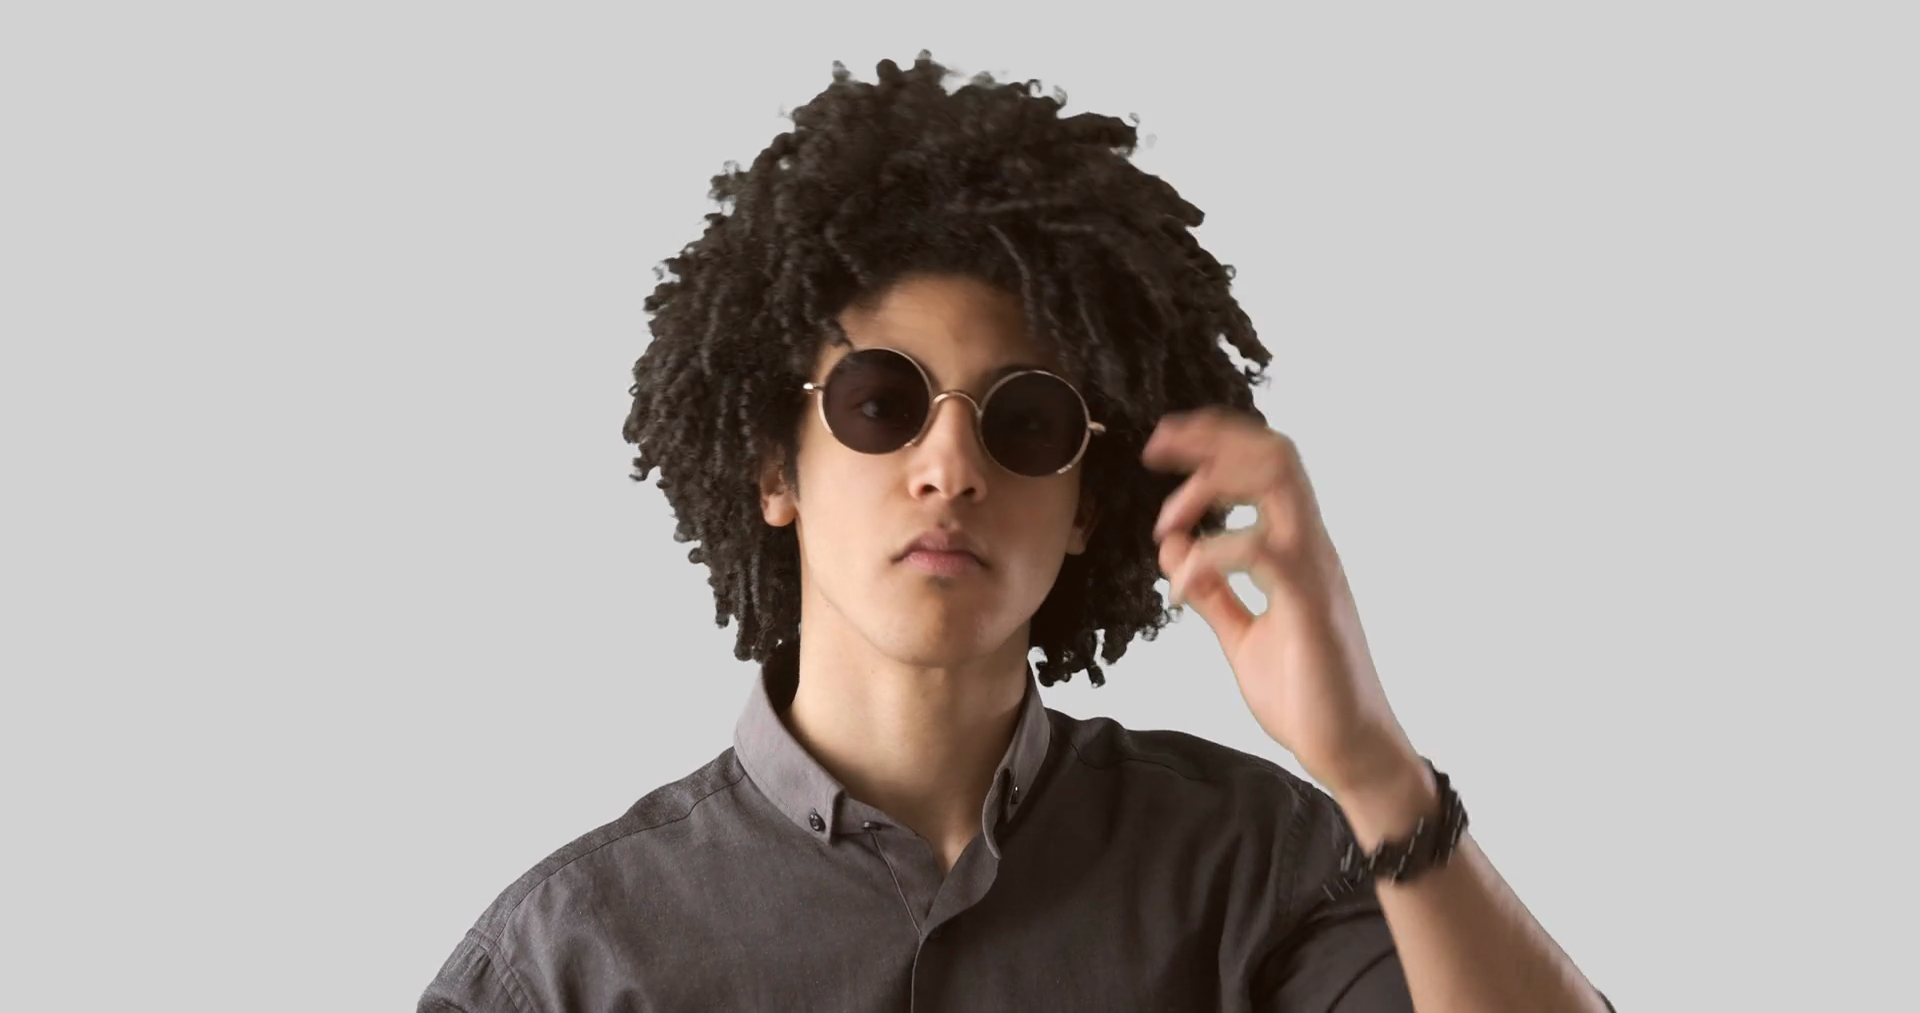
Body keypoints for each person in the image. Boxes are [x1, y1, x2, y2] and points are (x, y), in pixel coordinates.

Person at [418, 53, 1615, 1012]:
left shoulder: (1254, 868)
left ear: (1088, 498)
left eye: (1025, 421)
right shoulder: (569, 961)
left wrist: (1371, 764)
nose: (950, 467)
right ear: (776, 467)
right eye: (881, 403)